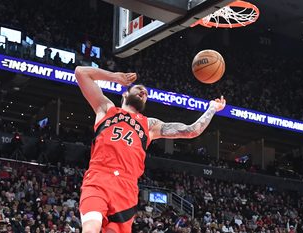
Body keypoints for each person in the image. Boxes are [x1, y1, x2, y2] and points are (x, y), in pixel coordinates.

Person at [74, 66, 226, 233]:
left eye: (146, 93)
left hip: (127, 187)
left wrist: (212, 108)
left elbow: (191, 131)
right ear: (125, 93)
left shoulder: (149, 124)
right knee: (90, 229)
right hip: (99, 178)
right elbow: (81, 72)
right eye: (139, 89)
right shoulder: (106, 109)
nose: (143, 93)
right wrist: (115, 77)